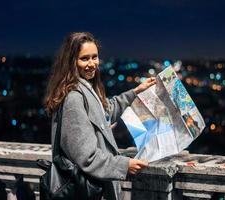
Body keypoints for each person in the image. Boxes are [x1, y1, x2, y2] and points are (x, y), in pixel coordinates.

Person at [44, 32, 156, 200]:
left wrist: (136, 91)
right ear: (71, 62)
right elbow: (86, 157)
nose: (92, 64)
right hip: (88, 191)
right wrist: (124, 166)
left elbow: (105, 113)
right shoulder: (74, 98)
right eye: (84, 58)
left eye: (94, 57)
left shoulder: (86, 88)